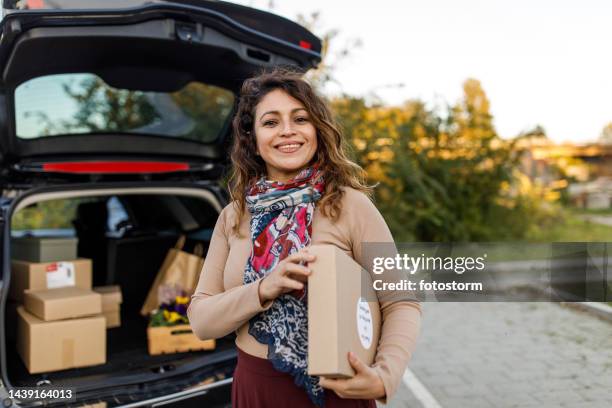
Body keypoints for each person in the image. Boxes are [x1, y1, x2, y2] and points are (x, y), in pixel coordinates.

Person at [188, 68, 421, 407]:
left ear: (317, 129)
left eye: (300, 118)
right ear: (252, 137)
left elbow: (401, 302)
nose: (287, 131)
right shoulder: (233, 216)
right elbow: (202, 321)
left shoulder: (350, 205)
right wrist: (264, 288)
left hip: (336, 392)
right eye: (270, 122)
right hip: (256, 390)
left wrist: (385, 375)